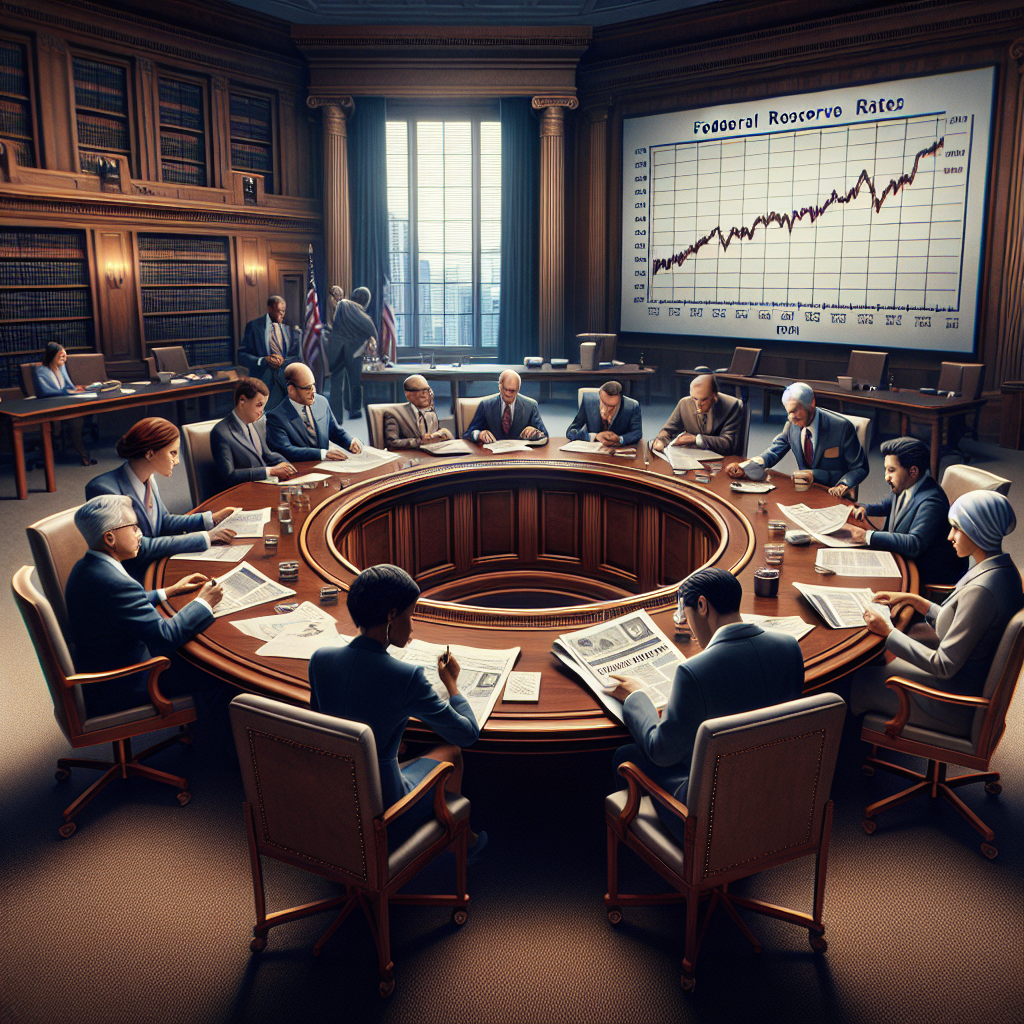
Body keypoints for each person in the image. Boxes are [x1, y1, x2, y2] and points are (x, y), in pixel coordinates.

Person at [607, 567, 804, 843]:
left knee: (626, 755)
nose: (691, 630)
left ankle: (653, 859)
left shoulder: (693, 673)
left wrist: (636, 696)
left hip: (710, 821)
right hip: (773, 798)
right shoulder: (789, 648)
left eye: (687, 617)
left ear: (702, 605)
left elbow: (660, 752)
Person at [308, 564, 486, 855]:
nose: (412, 626)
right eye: (410, 614)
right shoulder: (407, 677)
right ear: (391, 615)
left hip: (336, 800)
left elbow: (325, 726)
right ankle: (463, 846)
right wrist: (452, 686)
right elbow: (467, 734)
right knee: (452, 752)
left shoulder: (319, 660)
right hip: (386, 812)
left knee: (401, 754)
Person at [851, 490, 1023, 735]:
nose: (950, 536)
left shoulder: (983, 591)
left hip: (950, 701)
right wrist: (914, 600)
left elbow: (943, 665)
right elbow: (964, 622)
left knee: (856, 679)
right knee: (877, 662)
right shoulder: (1002, 571)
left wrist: (888, 632)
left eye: (957, 528)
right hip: (965, 679)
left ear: (978, 530)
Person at [65, 494, 224, 717]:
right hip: (127, 682)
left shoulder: (86, 568)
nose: (140, 534)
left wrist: (168, 591)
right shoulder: (116, 584)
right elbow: (166, 636)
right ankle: (216, 734)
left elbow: (115, 606)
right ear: (110, 538)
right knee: (219, 672)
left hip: (104, 665)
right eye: (134, 527)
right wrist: (204, 602)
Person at [86, 417, 239, 580]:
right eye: (173, 453)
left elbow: (164, 521)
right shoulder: (104, 490)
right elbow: (139, 546)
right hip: (131, 578)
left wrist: (208, 519)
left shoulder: (148, 479)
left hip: (156, 562)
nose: (177, 461)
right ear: (150, 454)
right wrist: (205, 537)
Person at [846, 436, 966, 586]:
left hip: (923, 573)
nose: (886, 477)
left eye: (891, 470)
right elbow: (886, 505)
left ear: (913, 471)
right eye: (885, 470)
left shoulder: (932, 501)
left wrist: (867, 536)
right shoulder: (906, 484)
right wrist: (863, 508)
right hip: (900, 559)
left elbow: (914, 544)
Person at [727, 381, 868, 498]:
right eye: (788, 411)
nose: (791, 418)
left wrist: (844, 485)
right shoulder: (792, 426)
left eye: (795, 411)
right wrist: (745, 466)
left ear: (812, 403)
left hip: (833, 494)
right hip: (804, 492)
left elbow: (860, 467)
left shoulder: (842, 428)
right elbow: (773, 452)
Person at [265, 361, 363, 463]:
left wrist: (350, 442)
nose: (313, 392)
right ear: (291, 389)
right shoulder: (276, 417)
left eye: (313, 386)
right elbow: (286, 451)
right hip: (301, 469)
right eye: (307, 388)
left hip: (326, 466)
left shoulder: (321, 402)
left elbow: (334, 431)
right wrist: (323, 454)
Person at [210, 377, 298, 488]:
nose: (262, 412)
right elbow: (229, 476)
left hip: (266, 486)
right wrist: (270, 471)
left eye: (264, 406)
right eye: (259, 405)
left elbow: (267, 454)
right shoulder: (221, 432)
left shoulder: (257, 424)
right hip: (243, 491)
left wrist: (284, 464)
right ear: (242, 401)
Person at [32, 341, 96, 466]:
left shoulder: (61, 367)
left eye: (65, 356)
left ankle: (77, 447)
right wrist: (68, 391)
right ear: (52, 356)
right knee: (76, 418)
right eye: (62, 356)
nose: (65, 359)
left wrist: (80, 389)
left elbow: (69, 386)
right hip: (47, 405)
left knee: (81, 415)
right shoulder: (40, 371)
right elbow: (45, 392)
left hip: (65, 402)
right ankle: (82, 452)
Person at [652, 374, 743, 455]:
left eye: (703, 400)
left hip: (721, 458)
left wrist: (696, 439)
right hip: (690, 456)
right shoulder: (684, 403)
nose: (698, 405)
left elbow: (728, 443)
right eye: (695, 398)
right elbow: (668, 430)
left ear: (715, 396)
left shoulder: (732, 405)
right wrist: (661, 440)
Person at [239, 295, 298, 410]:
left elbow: (297, 356)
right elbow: (241, 355)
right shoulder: (254, 327)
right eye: (279, 311)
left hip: (285, 377)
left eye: (284, 311)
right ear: (270, 309)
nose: (282, 314)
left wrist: (283, 361)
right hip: (262, 377)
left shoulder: (289, 328)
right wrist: (263, 360)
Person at [329, 286, 376, 422]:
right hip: (355, 353)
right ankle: (355, 411)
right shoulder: (365, 318)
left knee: (336, 383)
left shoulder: (343, 305)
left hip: (337, 350)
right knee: (355, 382)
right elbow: (373, 335)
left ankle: (335, 417)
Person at [465, 369, 548, 444]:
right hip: (492, 453)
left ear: (518, 389)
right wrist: (479, 434)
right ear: (500, 386)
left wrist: (535, 433)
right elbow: (468, 434)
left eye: (512, 391)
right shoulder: (486, 405)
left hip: (520, 453)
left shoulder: (530, 406)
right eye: (506, 389)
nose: (508, 394)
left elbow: (544, 435)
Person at [383, 375, 454, 449]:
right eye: (421, 391)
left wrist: (442, 434)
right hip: (411, 454)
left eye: (428, 390)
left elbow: (433, 435)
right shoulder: (394, 414)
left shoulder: (431, 413)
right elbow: (392, 443)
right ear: (408, 394)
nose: (426, 395)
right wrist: (420, 442)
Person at [566, 381, 642, 447]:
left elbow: (637, 433)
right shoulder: (588, 401)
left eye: (612, 406)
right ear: (599, 395)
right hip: (592, 452)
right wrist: (594, 436)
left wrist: (619, 440)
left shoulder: (632, 406)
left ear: (620, 400)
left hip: (617, 452)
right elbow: (571, 431)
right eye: (603, 403)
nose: (606, 409)